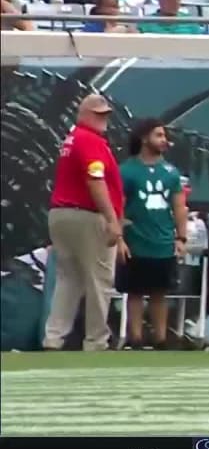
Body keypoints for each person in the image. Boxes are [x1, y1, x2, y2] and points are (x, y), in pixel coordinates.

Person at [44, 93, 123, 352]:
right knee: (99, 279)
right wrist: (112, 220)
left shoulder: (72, 139)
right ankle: (96, 341)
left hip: (61, 214)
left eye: (106, 114)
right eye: (98, 114)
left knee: (69, 279)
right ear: (84, 114)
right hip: (87, 215)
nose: (104, 119)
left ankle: (54, 338)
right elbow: (95, 179)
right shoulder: (90, 140)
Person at [116, 118, 187, 349]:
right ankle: (134, 338)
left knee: (160, 293)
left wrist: (181, 237)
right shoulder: (126, 171)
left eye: (164, 136)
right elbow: (117, 205)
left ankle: (161, 339)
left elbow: (179, 206)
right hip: (135, 241)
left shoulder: (171, 172)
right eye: (158, 135)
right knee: (134, 293)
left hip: (163, 241)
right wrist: (119, 239)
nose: (164, 140)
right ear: (144, 138)